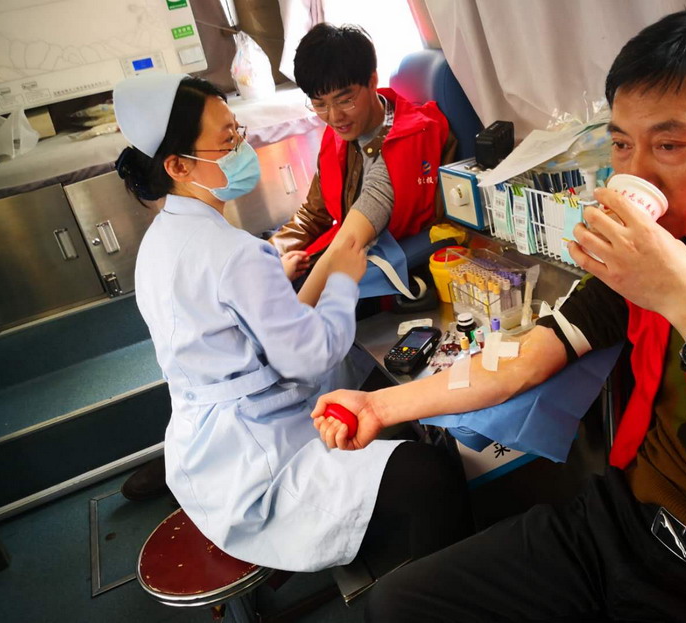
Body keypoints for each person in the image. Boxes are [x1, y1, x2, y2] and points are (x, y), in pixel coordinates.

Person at [311, 10, 686, 622]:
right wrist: (379, 406)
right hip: (621, 522)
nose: (635, 174)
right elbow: (524, 357)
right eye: (622, 144)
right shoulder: (641, 254)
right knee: (398, 604)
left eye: (669, 145)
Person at [112, 73, 471, 572]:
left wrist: (277, 282)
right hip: (261, 462)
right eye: (227, 140)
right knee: (431, 477)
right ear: (178, 165)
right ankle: (426, 591)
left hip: (204, 450)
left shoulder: (159, 241)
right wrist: (342, 280)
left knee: (367, 381)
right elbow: (310, 356)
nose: (241, 149)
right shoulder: (234, 252)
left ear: (370, 85)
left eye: (238, 131)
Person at [271, 23, 456, 282]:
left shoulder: (406, 143)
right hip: (347, 252)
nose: (334, 117)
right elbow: (314, 213)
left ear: (372, 81)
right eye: (319, 104)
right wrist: (267, 255)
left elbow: (349, 242)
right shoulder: (340, 135)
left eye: (345, 100)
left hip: (388, 273)